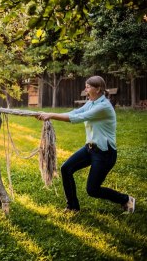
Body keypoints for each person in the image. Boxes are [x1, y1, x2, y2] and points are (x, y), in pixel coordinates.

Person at [37, 75, 135, 213]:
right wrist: (48, 114)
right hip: (90, 149)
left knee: (93, 190)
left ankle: (125, 199)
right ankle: (72, 207)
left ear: (98, 88)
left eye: (88, 86)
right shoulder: (91, 103)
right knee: (66, 169)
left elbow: (78, 118)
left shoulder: (103, 107)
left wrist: (51, 115)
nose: (85, 89)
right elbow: (75, 112)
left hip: (104, 153)